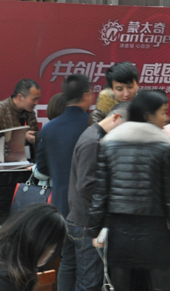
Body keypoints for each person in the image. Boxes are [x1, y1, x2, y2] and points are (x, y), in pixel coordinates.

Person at [87, 90, 170, 291]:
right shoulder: (164, 148)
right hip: (155, 233)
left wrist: (94, 230)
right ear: (148, 115)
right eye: (162, 112)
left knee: (121, 285)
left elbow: (101, 193)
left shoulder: (110, 144)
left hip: (119, 232)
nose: (166, 118)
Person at [33, 74, 94, 291]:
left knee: (67, 261)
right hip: (87, 207)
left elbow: (42, 168)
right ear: (87, 95)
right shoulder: (93, 126)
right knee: (89, 267)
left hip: (60, 205)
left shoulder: (49, 128)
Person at [65, 102, 128, 291]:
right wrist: (113, 201)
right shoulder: (93, 141)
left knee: (88, 280)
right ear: (116, 117)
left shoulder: (95, 136)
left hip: (83, 219)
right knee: (90, 283)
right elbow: (86, 185)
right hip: (86, 222)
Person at [0, 79, 41, 145]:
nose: (36, 103)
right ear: (20, 97)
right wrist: (22, 138)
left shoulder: (30, 112)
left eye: (38, 99)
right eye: (34, 99)